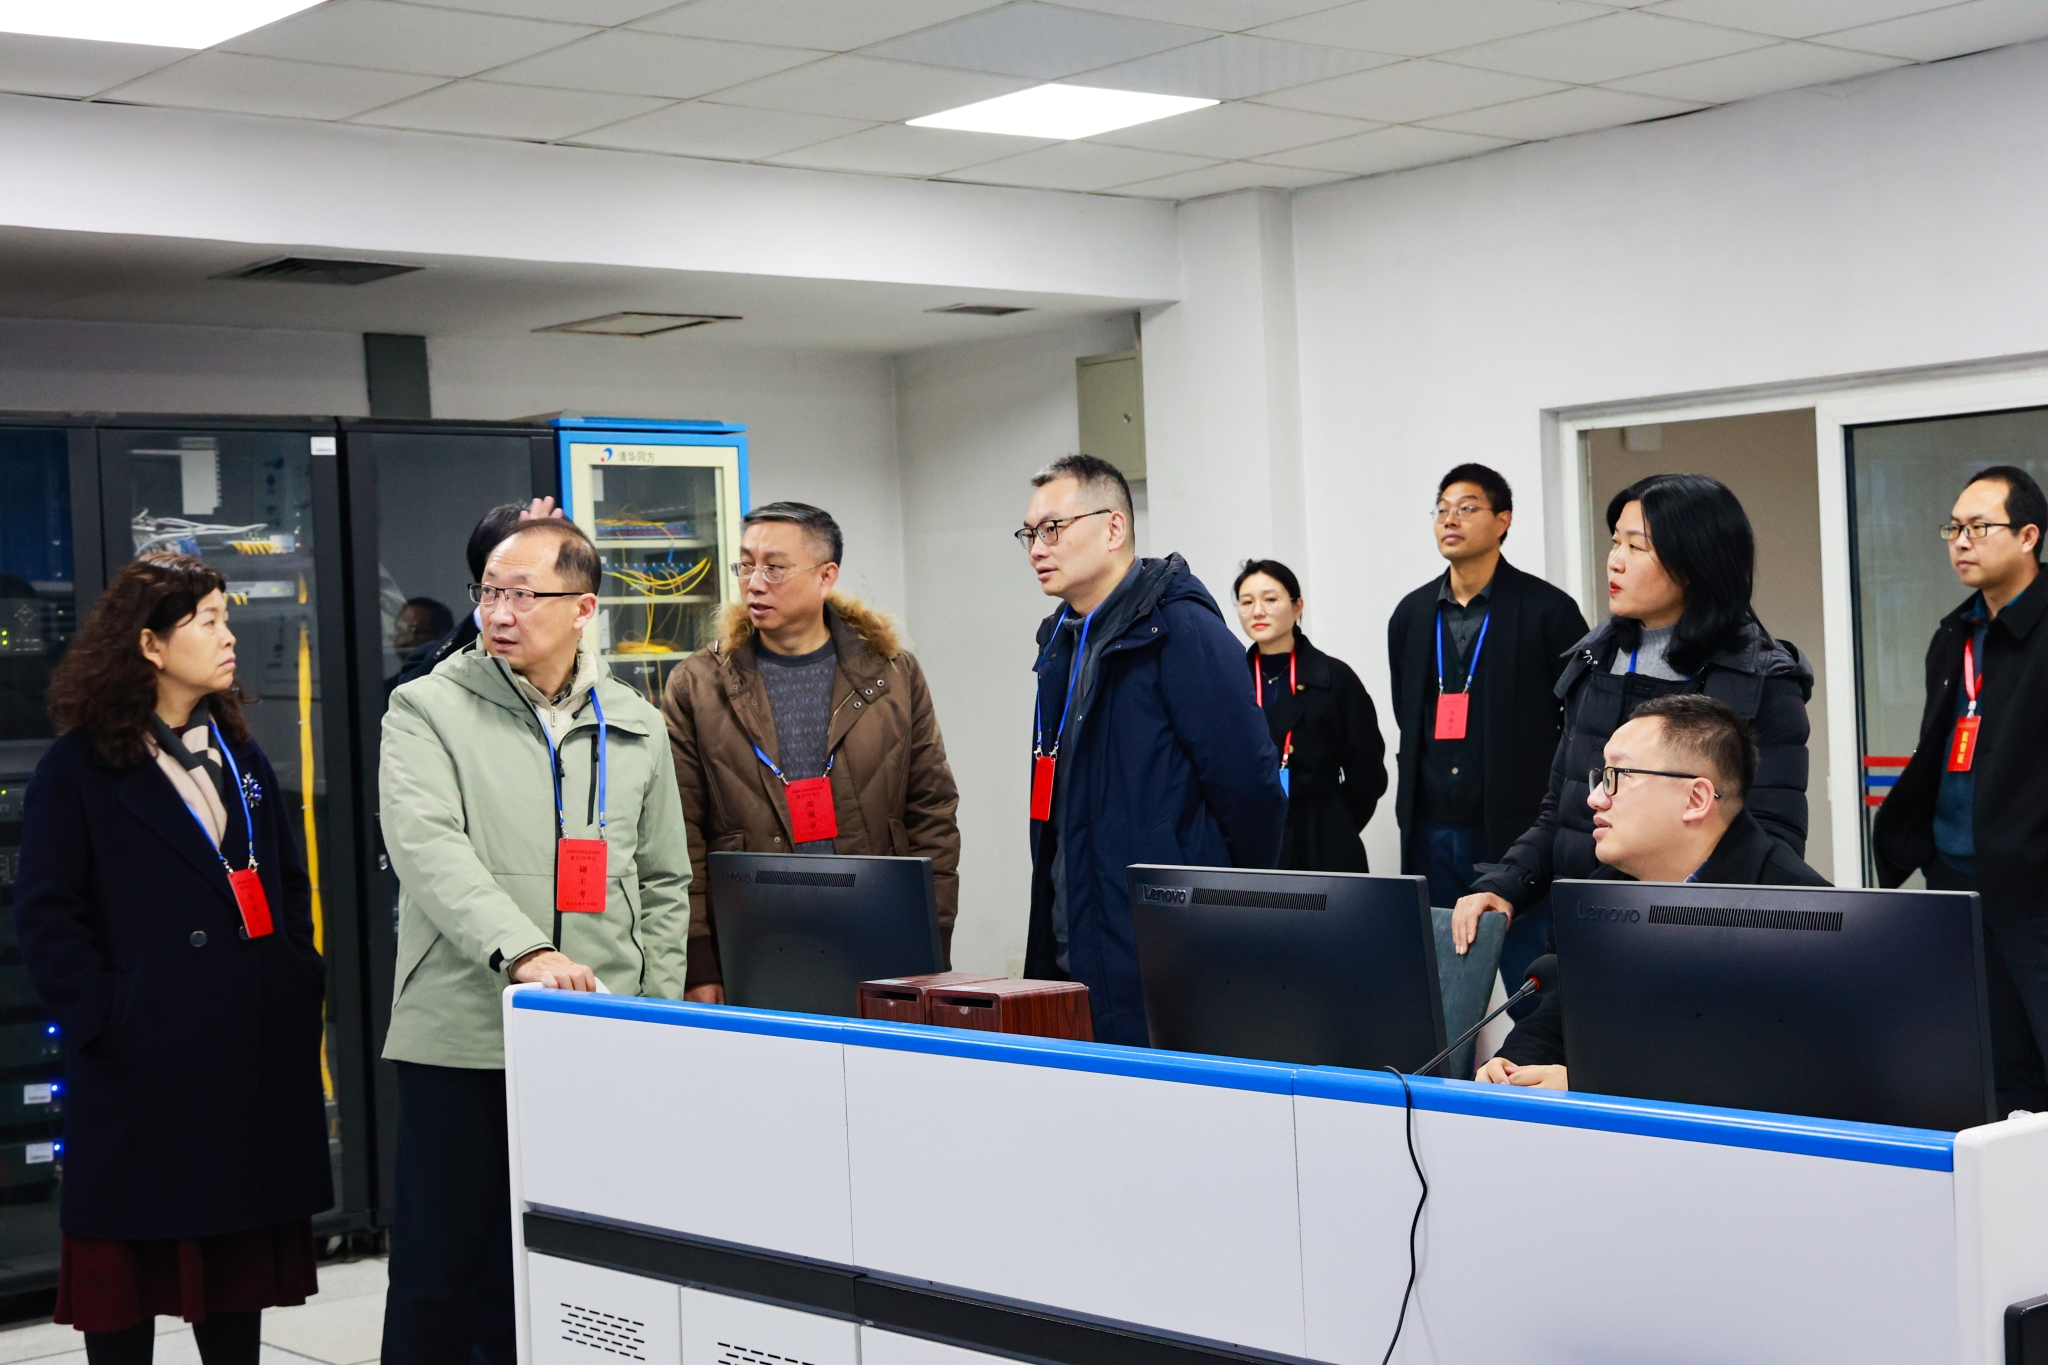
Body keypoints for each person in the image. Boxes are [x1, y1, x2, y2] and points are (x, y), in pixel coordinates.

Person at [378, 517, 691, 1365]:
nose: (499, 612)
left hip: (599, 1033)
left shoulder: (636, 719)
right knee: (444, 1271)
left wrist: (657, 1010)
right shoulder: (427, 706)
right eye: (488, 592)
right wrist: (524, 953)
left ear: (583, 606)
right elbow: (428, 848)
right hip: (464, 1032)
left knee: (573, 1268)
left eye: (522, 594)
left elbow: (664, 879)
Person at [18, 554, 330, 1365]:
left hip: (244, 1052)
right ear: (151, 644)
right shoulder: (77, 767)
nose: (230, 637)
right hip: (142, 1065)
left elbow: (288, 884)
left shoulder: (239, 753)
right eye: (209, 621)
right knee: (125, 1275)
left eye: (227, 617)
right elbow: (48, 915)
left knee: (234, 1274)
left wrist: (295, 974)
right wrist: (107, 1016)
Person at [1451, 472, 1813, 960]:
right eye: (1614, 542)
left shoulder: (1760, 679)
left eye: (1636, 546)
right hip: (1585, 933)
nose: (1615, 560)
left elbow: (1769, 843)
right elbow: (1563, 811)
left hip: (1692, 948)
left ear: (1695, 561)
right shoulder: (1596, 660)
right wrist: (1507, 882)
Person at [1020, 454, 1285, 1044]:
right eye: (1029, 533)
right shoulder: (1061, 641)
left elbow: (1253, 794)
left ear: (1113, 527)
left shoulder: (1181, 631)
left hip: (1171, 957)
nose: (1037, 547)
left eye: (1053, 529)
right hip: (1076, 945)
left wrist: (1219, 911)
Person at [662, 501, 961, 1002]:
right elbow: (679, 831)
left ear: (826, 577)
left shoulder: (892, 673)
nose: (755, 583)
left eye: (774, 568)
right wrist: (699, 961)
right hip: (752, 943)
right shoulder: (698, 684)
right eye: (745, 565)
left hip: (878, 932)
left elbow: (932, 810)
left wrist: (933, 936)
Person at [1476, 694, 1827, 1091]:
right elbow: (1557, 1022)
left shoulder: (1802, 916)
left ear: (1695, 799)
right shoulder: (1603, 894)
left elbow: (1779, 1080)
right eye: (1600, 777)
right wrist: (1511, 1069)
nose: (1594, 798)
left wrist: (1594, 1085)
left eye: (1617, 777)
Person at [1874, 465, 2048, 1115]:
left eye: (1979, 527)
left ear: (2029, 535)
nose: (1961, 541)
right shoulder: (1955, 633)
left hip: (2033, 887)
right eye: (1953, 528)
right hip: (1957, 882)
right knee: (1996, 1070)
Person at [1387, 464, 1587, 1000]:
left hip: (1514, 833)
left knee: (1534, 990)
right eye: (1442, 509)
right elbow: (1408, 716)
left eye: (1467, 507)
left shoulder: (1548, 611)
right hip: (1430, 831)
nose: (1450, 519)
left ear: (1503, 520)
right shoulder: (1411, 614)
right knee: (1441, 996)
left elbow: (1579, 723)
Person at [1234, 558, 1385, 871]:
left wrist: (1337, 823)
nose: (1257, 611)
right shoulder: (1229, 680)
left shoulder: (1335, 677)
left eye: (1270, 599)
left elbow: (1367, 771)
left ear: (1297, 606)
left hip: (1323, 834)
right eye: (1246, 602)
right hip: (1251, 833)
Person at [391, 497, 565, 690]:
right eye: (492, 590)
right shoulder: (429, 665)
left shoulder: (585, 675)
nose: (504, 617)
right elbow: (415, 695)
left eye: (523, 593)